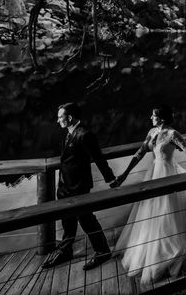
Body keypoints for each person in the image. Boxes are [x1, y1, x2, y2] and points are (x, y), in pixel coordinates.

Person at [110, 105, 186, 289]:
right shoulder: (151, 132)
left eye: (154, 115)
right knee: (150, 212)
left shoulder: (173, 134)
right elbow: (140, 153)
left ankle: (171, 250)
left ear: (162, 118)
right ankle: (151, 249)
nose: (151, 117)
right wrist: (124, 175)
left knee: (168, 212)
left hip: (168, 174)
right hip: (153, 174)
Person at [42, 102, 117, 271]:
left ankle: (103, 251)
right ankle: (65, 251)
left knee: (86, 219)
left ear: (69, 118)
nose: (58, 120)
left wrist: (110, 179)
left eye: (60, 117)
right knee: (67, 221)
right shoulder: (69, 133)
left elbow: (98, 158)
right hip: (64, 186)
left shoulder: (85, 134)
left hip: (79, 187)